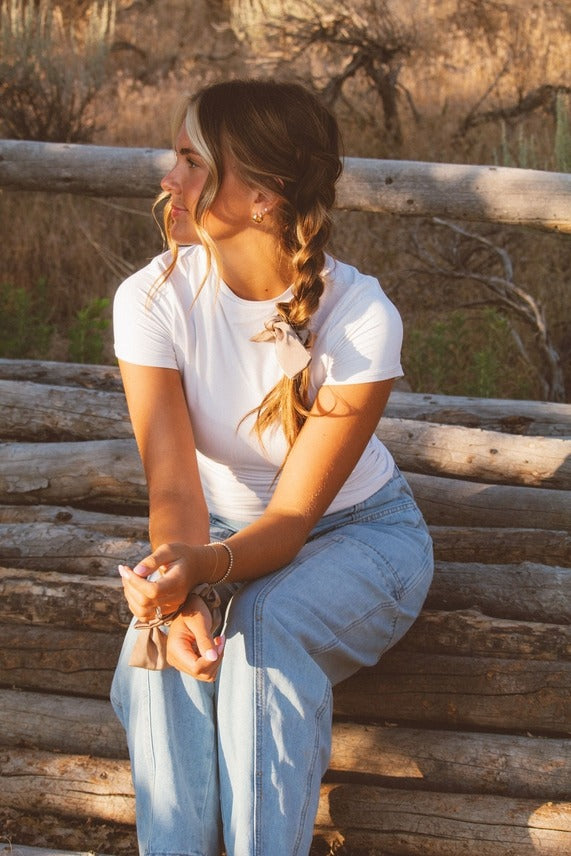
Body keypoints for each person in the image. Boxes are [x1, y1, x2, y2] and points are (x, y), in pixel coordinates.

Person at [110, 78, 434, 856]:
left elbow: (290, 521)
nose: (169, 179)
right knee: (159, 653)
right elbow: (174, 487)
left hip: (360, 538)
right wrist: (176, 595)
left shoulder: (358, 316)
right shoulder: (151, 298)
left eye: (192, 161)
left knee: (263, 626)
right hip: (218, 530)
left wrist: (201, 568)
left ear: (261, 195)